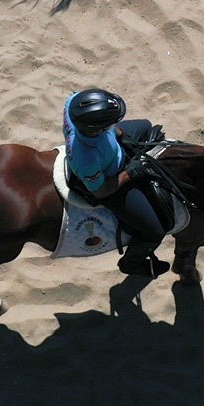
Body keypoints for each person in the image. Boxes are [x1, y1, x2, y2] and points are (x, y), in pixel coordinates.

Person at [62, 88, 171, 278]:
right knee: (154, 232)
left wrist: (122, 136)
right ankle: (130, 264)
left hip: (108, 145)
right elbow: (101, 191)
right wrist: (130, 172)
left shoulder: (74, 105)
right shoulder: (87, 159)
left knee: (146, 126)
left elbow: (111, 127)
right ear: (97, 129)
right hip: (112, 183)